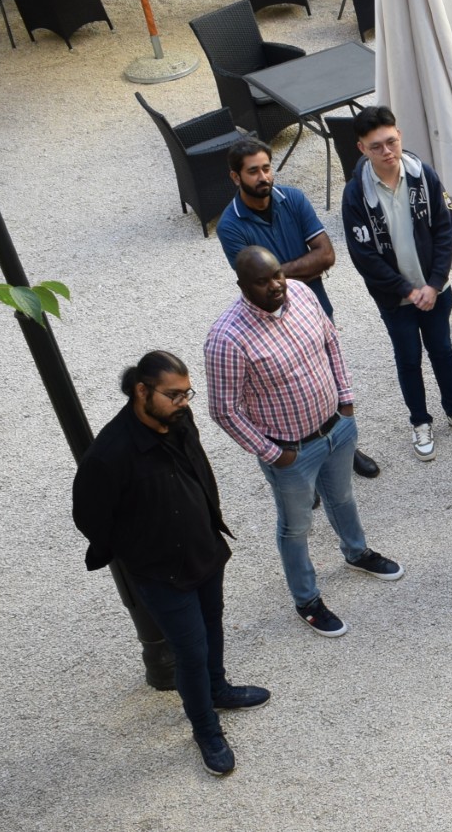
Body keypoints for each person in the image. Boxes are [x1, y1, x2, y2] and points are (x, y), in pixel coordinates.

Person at [73, 351, 268, 777]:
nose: (183, 403)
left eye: (186, 393)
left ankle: (218, 689)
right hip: (162, 572)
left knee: (212, 623)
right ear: (141, 391)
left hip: (205, 549)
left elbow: (198, 469)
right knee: (190, 651)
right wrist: (138, 550)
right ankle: (206, 729)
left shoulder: (180, 419)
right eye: (173, 395)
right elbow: (89, 517)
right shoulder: (109, 454)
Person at [204, 246, 404, 638]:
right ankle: (306, 600)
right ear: (242, 286)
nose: (276, 285)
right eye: (262, 281)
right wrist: (272, 453)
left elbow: (332, 343)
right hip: (290, 453)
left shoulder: (301, 292)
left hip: (337, 429)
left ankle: (357, 552)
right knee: (296, 526)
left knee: (343, 498)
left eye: (277, 274)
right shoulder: (226, 338)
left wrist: (346, 400)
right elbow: (224, 410)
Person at [216, 136, 380, 479]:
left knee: (327, 378)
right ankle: (306, 463)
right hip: (269, 323)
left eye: (266, 168)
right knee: (288, 389)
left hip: (313, 309)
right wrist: (305, 267)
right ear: (235, 177)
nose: (263, 176)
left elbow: (327, 255)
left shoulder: (293, 198)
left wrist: (275, 273)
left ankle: (345, 448)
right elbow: (255, 280)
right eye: (253, 171)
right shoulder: (230, 226)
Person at [339, 105, 452, 462]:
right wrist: (407, 290)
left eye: (391, 141)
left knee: (442, 351)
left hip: (434, 290)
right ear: (361, 148)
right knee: (408, 358)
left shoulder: (423, 175)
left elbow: (445, 231)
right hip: (395, 299)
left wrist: (434, 284)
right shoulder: (356, 194)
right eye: (376, 146)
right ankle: (420, 421)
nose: (387, 151)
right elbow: (364, 257)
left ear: (400, 135)